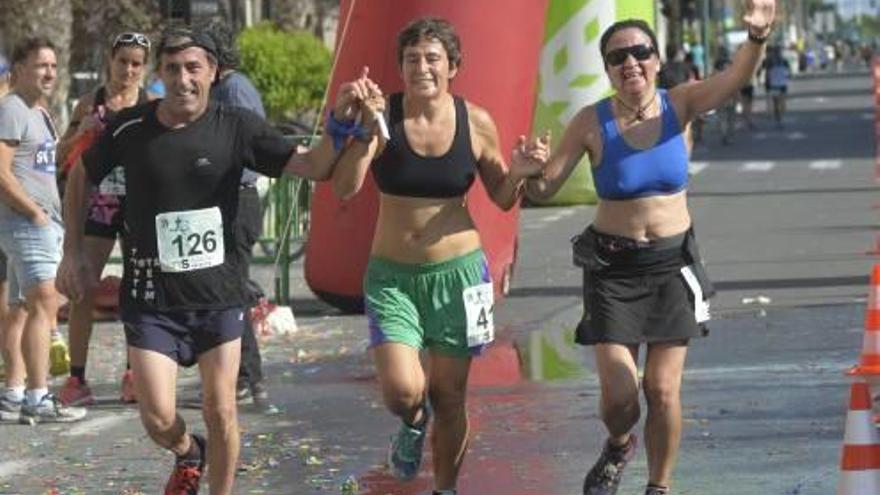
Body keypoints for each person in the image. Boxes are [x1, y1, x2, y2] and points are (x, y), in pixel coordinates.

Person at [57, 27, 342, 494]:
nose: (183, 79)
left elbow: (312, 167)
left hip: (218, 295)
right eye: (172, 69)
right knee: (155, 415)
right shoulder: (132, 127)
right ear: (160, 74)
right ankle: (189, 450)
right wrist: (73, 250)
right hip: (152, 296)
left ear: (212, 71)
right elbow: (81, 175)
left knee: (222, 408)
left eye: (193, 68)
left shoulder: (237, 125)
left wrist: (343, 129)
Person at [524, 2, 776, 494]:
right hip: (613, 270)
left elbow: (734, 79)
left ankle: (659, 486)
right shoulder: (590, 122)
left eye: (640, 52)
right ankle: (619, 443)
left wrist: (757, 38)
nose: (630, 63)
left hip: (671, 266)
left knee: (661, 390)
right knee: (621, 397)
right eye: (618, 57)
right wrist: (525, 171)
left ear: (656, 59)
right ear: (607, 69)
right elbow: (543, 189)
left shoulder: (680, 104)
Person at [329, 17, 545, 495]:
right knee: (402, 391)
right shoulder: (385, 119)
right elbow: (345, 186)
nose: (421, 67)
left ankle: (445, 488)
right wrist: (366, 132)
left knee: (450, 396)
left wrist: (523, 172)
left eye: (432, 58)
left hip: (460, 277)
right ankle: (411, 421)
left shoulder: (476, 121)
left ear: (453, 67)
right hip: (393, 278)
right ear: (400, 68)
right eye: (411, 59)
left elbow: (503, 195)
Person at [56, 31, 153, 407]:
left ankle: (134, 373)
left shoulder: (150, 104)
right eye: (122, 61)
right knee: (84, 288)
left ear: (144, 68)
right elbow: (60, 153)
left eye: (136, 63)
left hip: (136, 204)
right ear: (109, 61)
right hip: (97, 202)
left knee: (136, 289)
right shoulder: (89, 102)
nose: (128, 70)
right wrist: (80, 133)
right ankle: (77, 378)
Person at [0, 37, 86, 424]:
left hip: (42, 221)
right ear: (18, 70)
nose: (49, 72)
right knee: (44, 304)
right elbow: (1, 172)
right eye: (41, 66)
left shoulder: (40, 112)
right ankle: (38, 397)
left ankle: (14, 393)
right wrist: (34, 213)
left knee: (19, 310)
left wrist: (80, 133)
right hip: (26, 223)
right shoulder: (12, 110)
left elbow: (50, 159)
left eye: (53, 65)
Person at [203, 20, 269, 406]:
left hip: (236, 201)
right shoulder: (229, 87)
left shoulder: (233, 89)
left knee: (232, 289)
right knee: (227, 288)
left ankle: (247, 377)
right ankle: (239, 374)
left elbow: (250, 146)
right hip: (229, 201)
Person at [761, 45, 791, 129]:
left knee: (776, 103)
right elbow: (789, 73)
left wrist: (768, 81)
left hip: (774, 85)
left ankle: (779, 118)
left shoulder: (769, 61)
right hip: (781, 84)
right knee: (781, 102)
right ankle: (780, 118)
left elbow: (767, 73)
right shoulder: (784, 61)